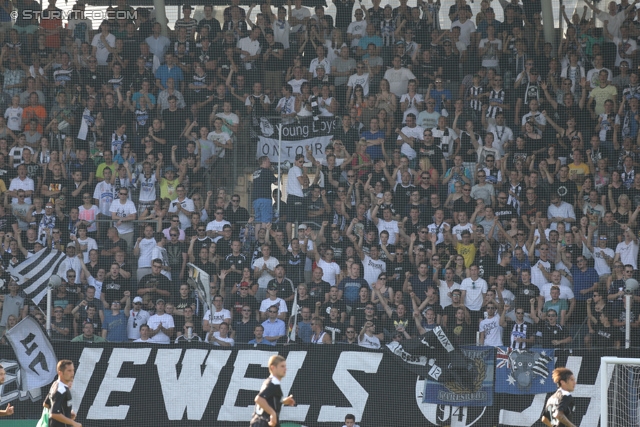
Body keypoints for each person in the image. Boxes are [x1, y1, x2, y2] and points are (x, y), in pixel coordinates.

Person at [250, 355, 295, 427]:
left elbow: (268, 400)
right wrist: (272, 414)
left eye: (285, 366)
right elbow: (259, 399)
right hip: (264, 423)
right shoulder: (274, 383)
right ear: (272, 367)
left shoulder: (269, 381)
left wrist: (282, 401)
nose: (285, 369)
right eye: (282, 366)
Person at [47, 360, 81, 427]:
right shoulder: (60, 390)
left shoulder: (56, 384)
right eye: (69, 371)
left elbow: (46, 404)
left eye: (73, 370)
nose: (72, 373)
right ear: (60, 373)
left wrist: (67, 413)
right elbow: (54, 413)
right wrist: (73, 423)